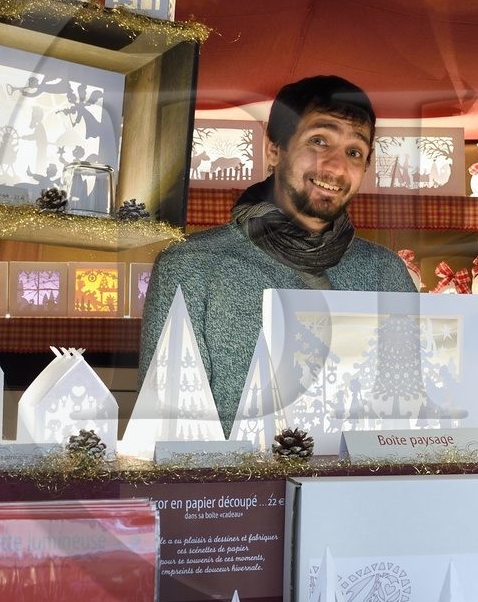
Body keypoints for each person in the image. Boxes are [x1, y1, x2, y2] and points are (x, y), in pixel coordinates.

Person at [140, 75, 415, 429]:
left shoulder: (387, 274)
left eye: (354, 152)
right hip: (234, 485)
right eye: (319, 141)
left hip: (361, 485)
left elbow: (413, 416)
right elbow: (167, 433)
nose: (335, 166)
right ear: (274, 149)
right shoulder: (193, 267)